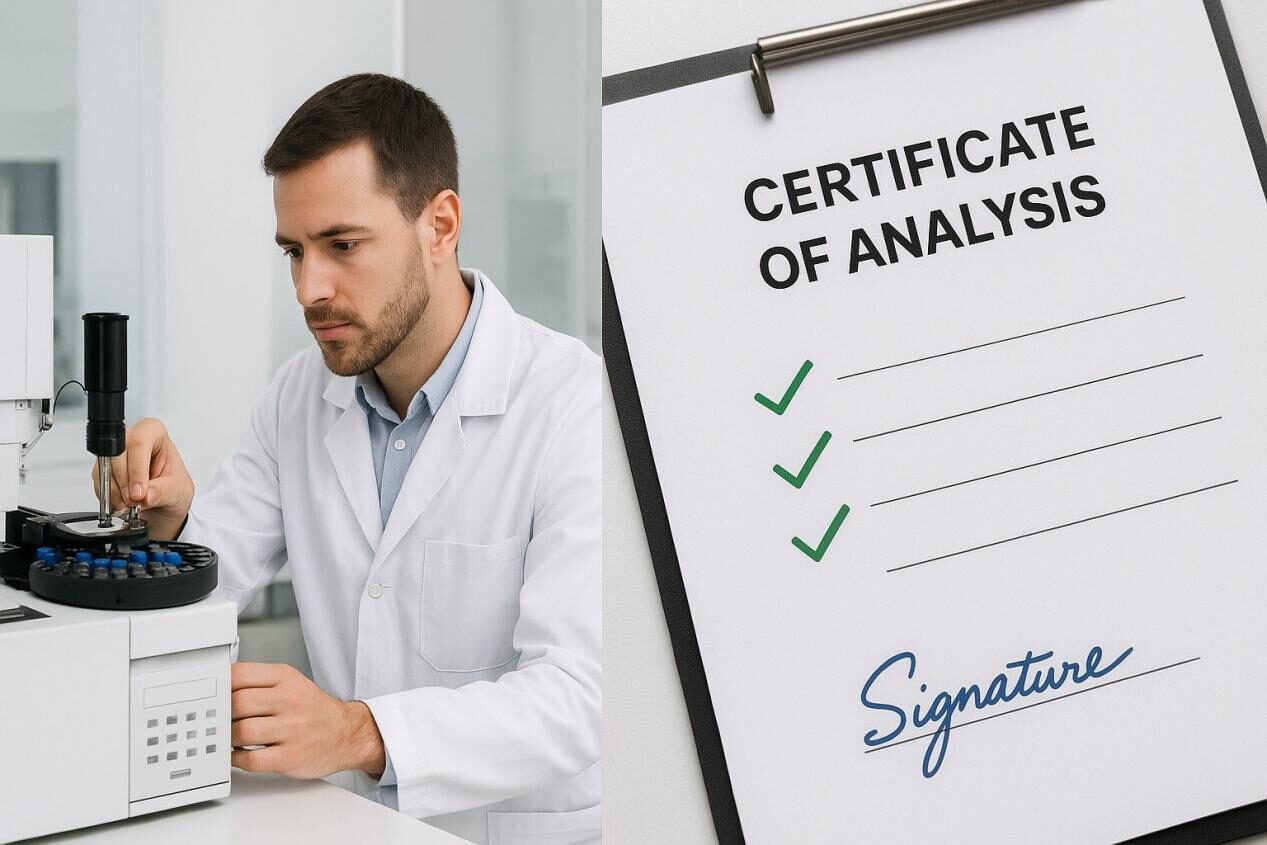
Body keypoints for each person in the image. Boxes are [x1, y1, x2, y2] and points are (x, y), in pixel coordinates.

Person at [91, 74, 600, 845]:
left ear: (440, 225)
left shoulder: (570, 402)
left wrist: (359, 731)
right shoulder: (298, 396)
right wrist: (167, 526)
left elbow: (579, 695)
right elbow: (210, 581)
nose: (309, 288)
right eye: (293, 252)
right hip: (349, 825)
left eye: (342, 245)